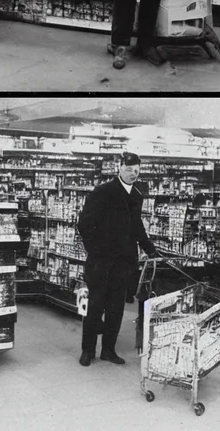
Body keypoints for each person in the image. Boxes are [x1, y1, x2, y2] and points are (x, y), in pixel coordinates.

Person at [76, 152, 158, 367]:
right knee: (95, 307)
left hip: (123, 263)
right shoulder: (103, 191)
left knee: (115, 309)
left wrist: (150, 249)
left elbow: (136, 226)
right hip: (101, 262)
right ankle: (88, 350)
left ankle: (109, 350)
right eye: (129, 169)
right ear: (119, 168)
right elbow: (84, 224)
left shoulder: (136, 195)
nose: (133, 173)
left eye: (137, 170)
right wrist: (95, 251)